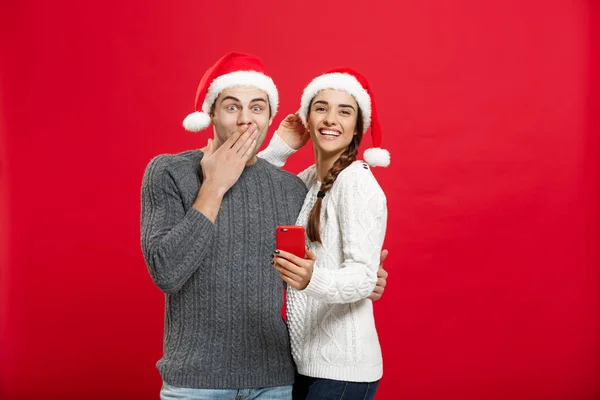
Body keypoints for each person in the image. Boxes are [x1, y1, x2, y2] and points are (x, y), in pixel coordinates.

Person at [141, 52, 388, 400]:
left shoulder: (291, 189)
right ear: (210, 112)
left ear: (271, 116)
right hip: (196, 381)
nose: (245, 120)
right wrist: (213, 187)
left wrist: (365, 279)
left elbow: (313, 251)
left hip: (274, 379)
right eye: (231, 107)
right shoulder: (170, 172)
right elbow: (166, 272)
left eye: (257, 108)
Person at [260, 68, 389, 400]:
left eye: (344, 111)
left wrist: (310, 279)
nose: (331, 119)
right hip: (307, 364)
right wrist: (278, 149)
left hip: (343, 371)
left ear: (358, 126)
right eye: (321, 108)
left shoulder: (356, 182)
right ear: (307, 117)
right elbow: (249, 194)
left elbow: (362, 277)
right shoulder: (308, 181)